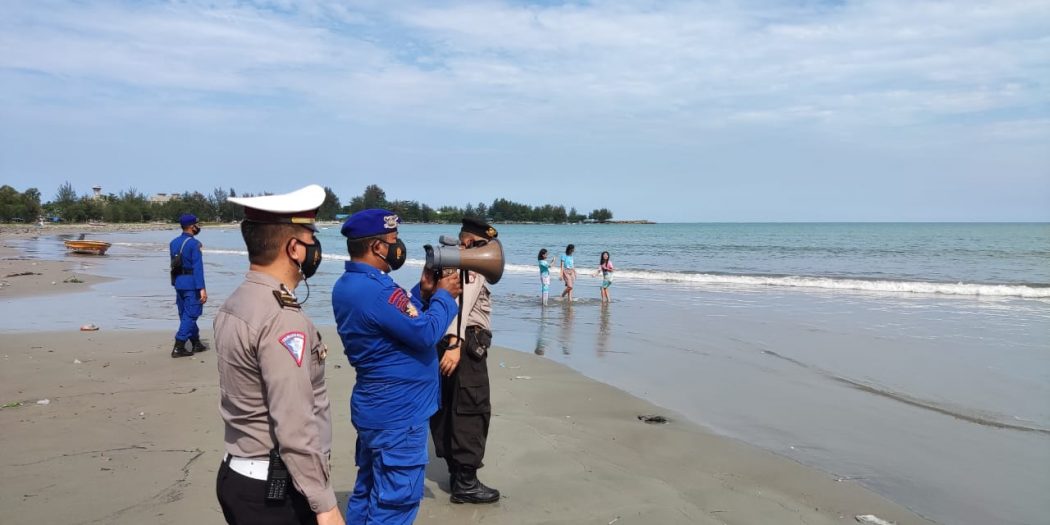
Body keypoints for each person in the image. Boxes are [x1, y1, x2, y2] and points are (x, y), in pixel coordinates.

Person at [212, 184, 344, 525]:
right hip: (274, 493)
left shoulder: (237, 302)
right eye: (312, 239)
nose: (316, 248)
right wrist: (325, 504)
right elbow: (294, 423)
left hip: (238, 474)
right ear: (294, 248)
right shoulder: (283, 318)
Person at [332, 209, 462, 524]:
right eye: (393, 240)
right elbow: (425, 333)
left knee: (368, 490)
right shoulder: (377, 291)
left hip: (378, 409)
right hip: (399, 415)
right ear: (377, 247)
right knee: (395, 504)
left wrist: (423, 293)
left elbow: (402, 320)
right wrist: (445, 298)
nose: (397, 246)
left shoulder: (353, 285)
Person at [426, 218, 501, 505]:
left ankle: (457, 473)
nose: (490, 253)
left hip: (451, 343)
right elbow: (460, 303)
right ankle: (466, 482)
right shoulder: (469, 266)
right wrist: (456, 344)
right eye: (485, 245)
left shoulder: (451, 262)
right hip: (465, 344)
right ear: (470, 243)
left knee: (449, 406)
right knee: (472, 407)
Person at [169, 213, 207, 358]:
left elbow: (174, 265)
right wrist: (202, 288)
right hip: (192, 284)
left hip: (179, 282)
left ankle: (196, 342)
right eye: (197, 224)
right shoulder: (194, 244)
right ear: (192, 226)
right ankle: (179, 346)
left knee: (184, 314)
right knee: (191, 314)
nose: (199, 227)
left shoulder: (173, 242)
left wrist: (175, 282)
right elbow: (198, 267)